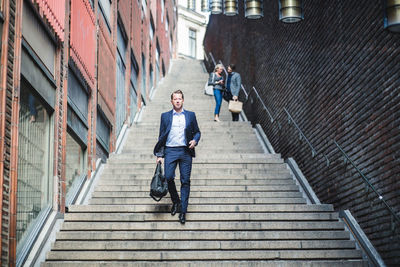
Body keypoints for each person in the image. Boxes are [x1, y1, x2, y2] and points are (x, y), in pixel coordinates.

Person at [153, 90, 201, 224]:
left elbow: (197, 132)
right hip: (170, 151)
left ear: (183, 100)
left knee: (185, 181)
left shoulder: (191, 115)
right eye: (175, 99)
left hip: (186, 151)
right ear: (172, 101)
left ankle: (183, 211)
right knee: (168, 177)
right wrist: (159, 155)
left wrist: (195, 140)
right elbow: (161, 136)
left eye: (180, 98)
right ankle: (176, 201)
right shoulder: (165, 116)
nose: (178, 101)